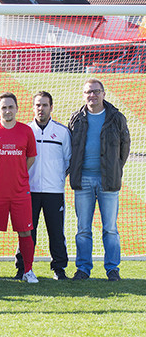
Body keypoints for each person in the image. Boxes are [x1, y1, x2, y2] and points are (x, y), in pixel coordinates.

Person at [68, 79, 130, 282]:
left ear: (103, 93)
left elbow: (125, 146)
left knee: (110, 228)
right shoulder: (77, 118)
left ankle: (112, 269)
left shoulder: (116, 117)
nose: (92, 95)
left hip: (108, 181)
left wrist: (114, 169)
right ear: (83, 94)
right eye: (88, 92)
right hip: (83, 180)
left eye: (96, 91)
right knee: (83, 228)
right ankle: (83, 269)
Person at [0, 92, 38, 283]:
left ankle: (28, 271)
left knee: (25, 231)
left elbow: (31, 157)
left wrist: (18, 172)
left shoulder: (26, 131)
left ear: (17, 109)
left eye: (11, 107)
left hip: (20, 191)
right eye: (4, 107)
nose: (7, 110)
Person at [14, 91, 71, 280]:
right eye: (38, 105)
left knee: (56, 231)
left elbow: (67, 160)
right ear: (33, 107)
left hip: (54, 191)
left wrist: (56, 178)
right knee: (27, 231)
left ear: (51, 107)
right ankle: (22, 267)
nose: (41, 108)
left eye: (45, 105)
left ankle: (59, 268)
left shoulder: (62, 132)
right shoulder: (25, 130)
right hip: (28, 191)